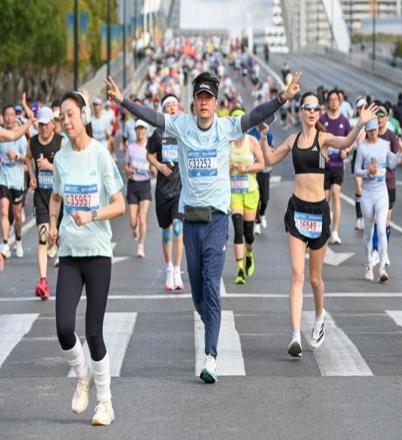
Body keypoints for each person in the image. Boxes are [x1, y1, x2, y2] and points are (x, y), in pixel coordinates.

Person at [106, 70, 302, 383]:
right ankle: (206, 313)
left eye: (209, 97)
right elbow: (153, 117)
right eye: (200, 97)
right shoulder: (182, 125)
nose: (204, 102)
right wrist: (123, 101)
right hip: (191, 218)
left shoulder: (225, 127)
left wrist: (282, 97)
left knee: (211, 283)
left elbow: (254, 115)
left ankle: (211, 357)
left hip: (218, 218)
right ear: (195, 102)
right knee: (198, 292)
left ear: (215, 102)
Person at [259, 92, 377, 357]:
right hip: (297, 211)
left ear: (318, 113)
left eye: (316, 108)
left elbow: (345, 141)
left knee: (315, 278)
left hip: (318, 213)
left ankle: (319, 315)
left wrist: (360, 123)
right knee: (297, 275)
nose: (312, 112)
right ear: (300, 112)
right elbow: (269, 160)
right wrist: (264, 136)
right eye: (308, 108)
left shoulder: (323, 139)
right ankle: (295, 336)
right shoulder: (292, 140)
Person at [49, 91, 125, 425]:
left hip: (97, 254)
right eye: (61, 116)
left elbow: (119, 205)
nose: (65, 121)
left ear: (83, 115)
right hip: (69, 253)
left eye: (70, 114)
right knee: (64, 328)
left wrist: (93, 215)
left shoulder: (100, 155)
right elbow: (55, 197)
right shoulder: (61, 158)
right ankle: (83, 376)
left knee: (93, 332)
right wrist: (52, 224)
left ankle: (105, 404)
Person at [146, 94, 185, 291]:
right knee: (167, 232)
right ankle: (169, 268)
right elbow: (149, 155)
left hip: (179, 190)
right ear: (163, 110)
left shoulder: (183, 131)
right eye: (168, 105)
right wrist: (159, 166)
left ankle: (177, 270)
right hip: (163, 191)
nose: (172, 108)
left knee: (178, 229)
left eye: (174, 105)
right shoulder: (158, 134)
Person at [355, 117, 400, 282]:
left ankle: (381, 268)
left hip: (382, 193)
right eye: (370, 131)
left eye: (375, 130)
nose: (373, 133)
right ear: (366, 132)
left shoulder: (385, 144)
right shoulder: (362, 148)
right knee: (368, 232)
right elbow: (356, 170)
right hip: (367, 194)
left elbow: (392, 164)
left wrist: (400, 152)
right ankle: (369, 264)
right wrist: (368, 172)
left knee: (381, 229)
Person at [26, 106, 64, 299]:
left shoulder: (61, 142)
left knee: (60, 238)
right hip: (41, 197)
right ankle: (43, 281)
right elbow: (28, 159)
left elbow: (69, 167)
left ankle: (67, 282)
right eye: (40, 124)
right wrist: (32, 176)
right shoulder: (32, 142)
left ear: (53, 124)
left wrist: (50, 166)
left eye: (46, 124)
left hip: (59, 198)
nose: (43, 127)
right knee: (42, 237)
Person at [229, 108, 264, 284]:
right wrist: (229, 167)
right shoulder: (227, 143)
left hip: (250, 191)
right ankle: (240, 270)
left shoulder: (252, 141)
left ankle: (249, 254)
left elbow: (262, 164)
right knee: (238, 231)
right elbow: (221, 168)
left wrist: (247, 168)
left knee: (248, 234)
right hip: (234, 192)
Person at [0, 95, 33, 270]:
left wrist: (17, 156)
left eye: (11, 115)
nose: (8, 118)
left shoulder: (18, 137)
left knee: (18, 214)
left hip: (17, 179)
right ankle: (5, 243)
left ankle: (18, 240)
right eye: (6, 115)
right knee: (4, 210)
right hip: (3, 178)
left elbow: (27, 159)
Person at [370, 104, 402, 266]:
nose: (380, 119)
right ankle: (375, 250)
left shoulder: (392, 137)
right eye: (377, 116)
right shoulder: (370, 135)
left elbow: (396, 162)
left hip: (389, 183)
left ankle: (384, 251)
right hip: (373, 184)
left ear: (387, 118)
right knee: (376, 219)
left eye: (382, 116)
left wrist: (399, 153)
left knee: (387, 219)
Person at [320, 90, 352, 244]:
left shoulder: (344, 121)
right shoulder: (322, 120)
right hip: (324, 165)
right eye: (331, 99)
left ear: (340, 102)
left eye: (336, 99)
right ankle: (325, 228)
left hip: (338, 164)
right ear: (327, 102)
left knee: (336, 194)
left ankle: (335, 231)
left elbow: (350, 139)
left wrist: (346, 150)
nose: (333, 102)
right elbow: (316, 139)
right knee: (325, 198)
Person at [124, 119, 152, 257]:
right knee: (133, 221)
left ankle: (141, 247)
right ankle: (135, 229)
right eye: (138, 129)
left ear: (146, 131)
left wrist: (154, 169)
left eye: (142, 129)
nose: (140, 131)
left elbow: (154, 164)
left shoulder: (150, 147)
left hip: (145, 185)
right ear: (135, 131)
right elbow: (125, 165)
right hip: (133, 185)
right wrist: (128, 170)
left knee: (142, 219)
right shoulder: (131, 148)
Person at [350, 97, 368, 231]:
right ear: (357, 109)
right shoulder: (352, 122)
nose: (362, 109)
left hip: (368, 157)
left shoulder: (371, 121)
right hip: (357, 156)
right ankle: (359, 217)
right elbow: (349, 139)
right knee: (358, 188)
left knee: (368, 189)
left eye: (365, 107)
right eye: (360, 107)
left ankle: (367, 216)